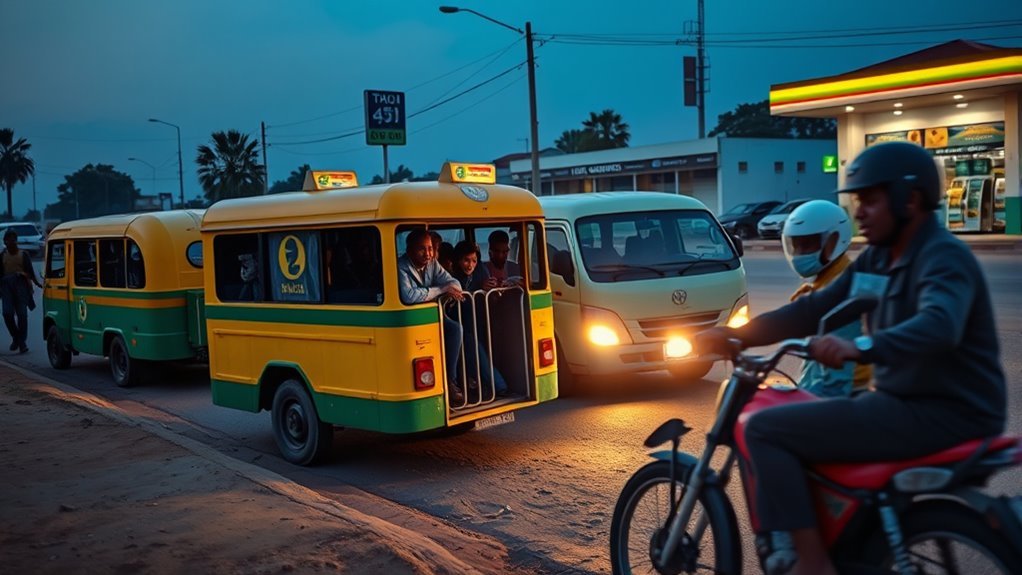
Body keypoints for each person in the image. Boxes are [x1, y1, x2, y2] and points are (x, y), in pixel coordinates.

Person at [698, 142, 1006, 575]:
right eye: (858, 201)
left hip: (942, 411)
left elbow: (940, 324)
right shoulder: (880, 259)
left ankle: (813, 563)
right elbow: (814, 309)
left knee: (765, 428)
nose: (859, 212)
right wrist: (737, 334)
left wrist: (858, 347)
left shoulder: (942, 257)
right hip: (908, 403)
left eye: (871, 200)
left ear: (911, 200)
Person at [781, 200, 871, 397]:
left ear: (834, 240)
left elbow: (836, 381)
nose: (799, 254)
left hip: (850, 392)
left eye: (808, 245)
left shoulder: (841, 289)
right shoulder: (820, 285)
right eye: (796, 246)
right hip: (820, 386)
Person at [397, 229, 467, 404]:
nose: (427, 253)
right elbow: (409, 296)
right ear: (409, 250)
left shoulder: (433, 263)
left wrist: (446, 288)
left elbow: (455, 283)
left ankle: (451, 381)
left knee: (455, 329)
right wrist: (441, 290)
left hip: (433, 317)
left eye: (430, 248)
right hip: (410, 323)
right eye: (422, 249)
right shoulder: (400, 266)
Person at [450, 240, 508, 397]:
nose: (470, 265)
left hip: (479, 320)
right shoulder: (452, 277)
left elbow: (489, 295)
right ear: (458, 260)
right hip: (459, 323)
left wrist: (492, 288)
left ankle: (485, 384)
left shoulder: (481, 270)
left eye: (474, 261)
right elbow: (455, 305)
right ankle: (498, 385)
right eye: (466, 260)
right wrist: (479, 289)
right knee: (472, 345)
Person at [1, 230, 42, 353]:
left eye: (14, 240)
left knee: (22, 315)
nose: (12, 243)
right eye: (9, 241)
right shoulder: (2, 256)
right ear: (5, 242)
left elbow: (30, 271)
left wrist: (36, 283)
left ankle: (22, 342)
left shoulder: (24, 255)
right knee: (7, 313)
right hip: (6, 287)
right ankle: (16, 337)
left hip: (21, 286)